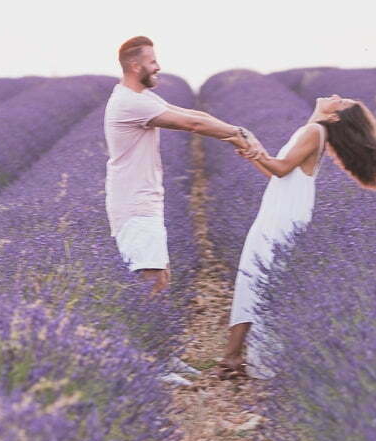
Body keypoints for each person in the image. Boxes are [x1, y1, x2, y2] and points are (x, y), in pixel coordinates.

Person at [218, 94, 376, 380]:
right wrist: (253, 155)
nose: (335, 96)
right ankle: (236, 357)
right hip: (282, 211)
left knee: (256, 279)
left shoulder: (315, 131)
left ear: (335, 116)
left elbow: (281, 167)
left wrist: (251, 146)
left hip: (281, 216)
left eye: (341, 101)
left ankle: (238, 359)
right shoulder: (312, 129)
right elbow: (277, 174)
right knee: (258, 280)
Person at [104, 36, 263, 296]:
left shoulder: (140, 96)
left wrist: (238, 134)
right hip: (134, 206)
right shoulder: (131, 102)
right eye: (152, 61)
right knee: (150, 281)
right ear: (135, 66)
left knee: (159, 277)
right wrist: (239, 134)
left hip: (142, 202)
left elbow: (195, 115)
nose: (158, 67)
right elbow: (192, 126)